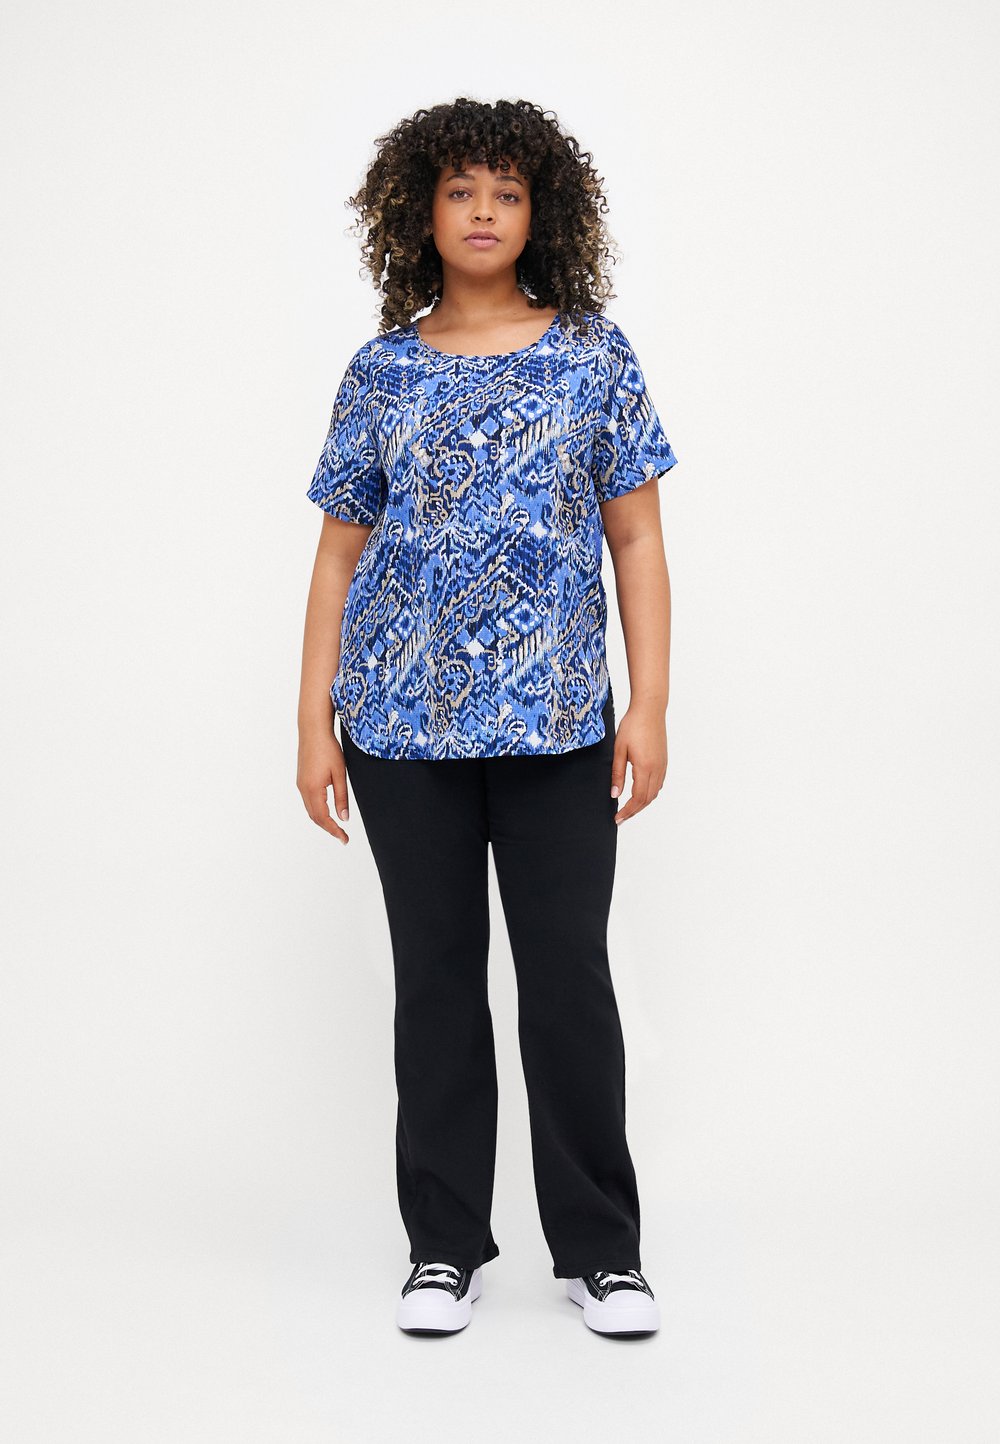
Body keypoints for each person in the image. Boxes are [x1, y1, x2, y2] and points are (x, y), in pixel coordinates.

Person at [296, 97, 679, 1338]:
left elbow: (636, 538)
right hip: (397, 728)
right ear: (418, 210)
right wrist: (311, 722)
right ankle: (442, 1247)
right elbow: (338, 555)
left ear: (539, 213)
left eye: (506, 193)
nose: (481, 212)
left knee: (567, 980)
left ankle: (602, 1254)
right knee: (436, 983)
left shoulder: (594, 357)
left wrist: (649, 704)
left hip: (559, 722)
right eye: (459, 190)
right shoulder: (381, 370)